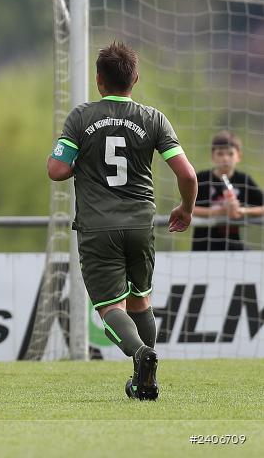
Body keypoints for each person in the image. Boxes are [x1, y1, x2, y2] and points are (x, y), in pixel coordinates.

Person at [47, 41, 197, 401]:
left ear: (99, 81)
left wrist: (81, 160)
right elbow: (189, 175)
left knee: (110, 308)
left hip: (98, 226)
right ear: (135, 80)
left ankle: (141, 354)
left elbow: (56, 171)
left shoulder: (82, 117)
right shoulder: (154, 118)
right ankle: (144, 379)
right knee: (141, 300)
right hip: (141, 223)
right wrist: (186, 209)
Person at [192, 130, 263, 251]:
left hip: (233, 245)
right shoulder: (201, 179)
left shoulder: (243, 180)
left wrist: (241, 210)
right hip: (202, 246)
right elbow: (188, 209)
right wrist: (221, 211)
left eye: (230, 154)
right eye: (220, 154)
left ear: (238, 156)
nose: (225, 158)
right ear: (212, 156)